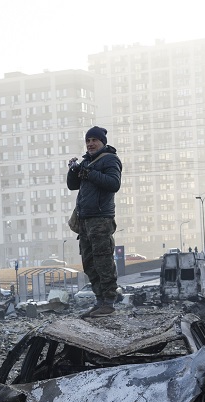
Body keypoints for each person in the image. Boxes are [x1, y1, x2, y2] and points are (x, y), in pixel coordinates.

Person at [67, 126, 122, 318]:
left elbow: (114, 184)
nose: (90, 144)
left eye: (94, 140)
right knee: (89, 262)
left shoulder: (110, 159)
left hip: (101, 219)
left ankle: (108, 302)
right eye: (88, 140)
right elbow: (73, 186)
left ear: (102, 142)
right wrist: (74, 170)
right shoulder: (87, 162)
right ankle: (99, 301)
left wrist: (89, 173)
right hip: (85, 220)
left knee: (103, 260)